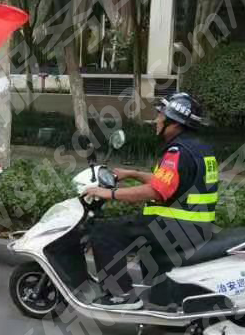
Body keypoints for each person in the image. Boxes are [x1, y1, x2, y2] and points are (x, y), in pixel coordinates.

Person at [83, 93, 219, 310]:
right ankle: (161, 299)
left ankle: (120, 296)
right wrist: (133, 174)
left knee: (104, 231)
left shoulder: (177, 151)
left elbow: (156, 191)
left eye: (160, 116)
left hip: (175, 226)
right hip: (193, 227)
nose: (156, 120)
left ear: (174, 122)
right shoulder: (199, 149)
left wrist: (109, 193)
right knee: (139, 236)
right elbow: (172, 182)